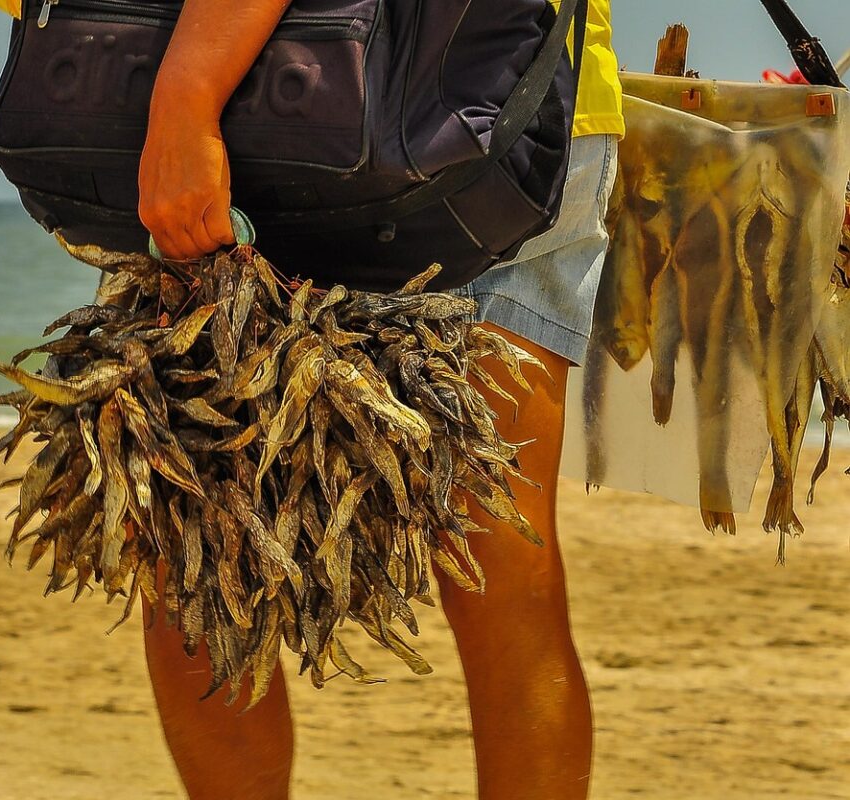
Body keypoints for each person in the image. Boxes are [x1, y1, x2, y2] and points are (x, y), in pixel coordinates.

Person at [133, 3, 625, 799]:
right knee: (501, 565)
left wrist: (185, 94)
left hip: (276, 96)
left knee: (197, 539)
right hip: (508, 86)